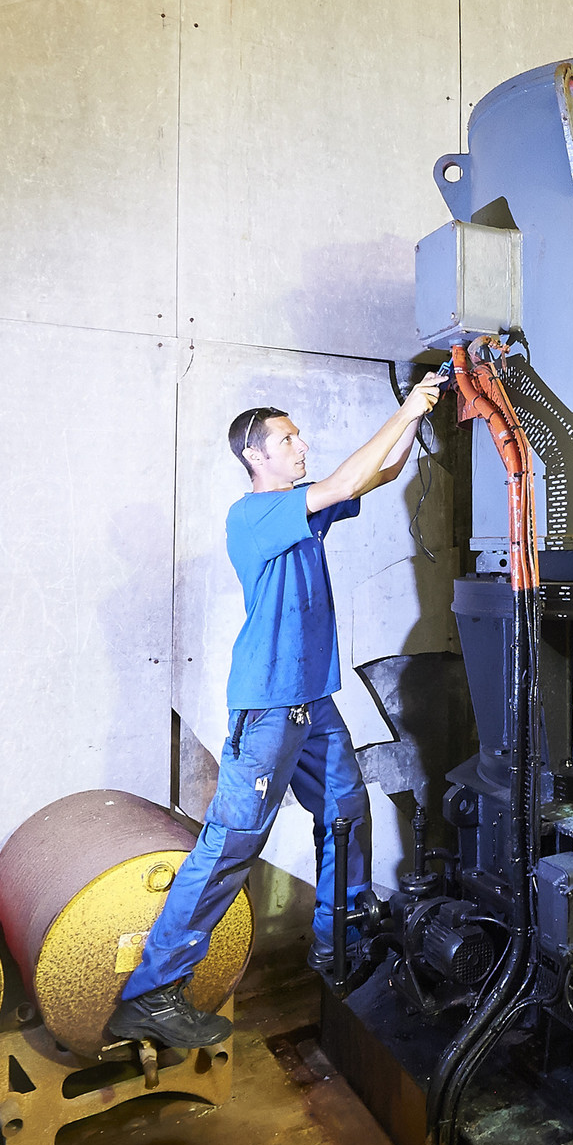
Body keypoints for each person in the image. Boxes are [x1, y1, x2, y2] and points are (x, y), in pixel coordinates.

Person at [106, 384, 441, 1052]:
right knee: (232, 843)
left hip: (313, 701)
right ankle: (150, 994)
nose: (302, 445)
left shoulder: (302, 509)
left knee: (346, 811)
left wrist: (419, 414)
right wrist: (403, 411)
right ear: (255, 456)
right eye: (288, 439)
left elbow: (378, 473)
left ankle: (339, 942)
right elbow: (343, 478)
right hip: (267, 709)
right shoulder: (254, 515)